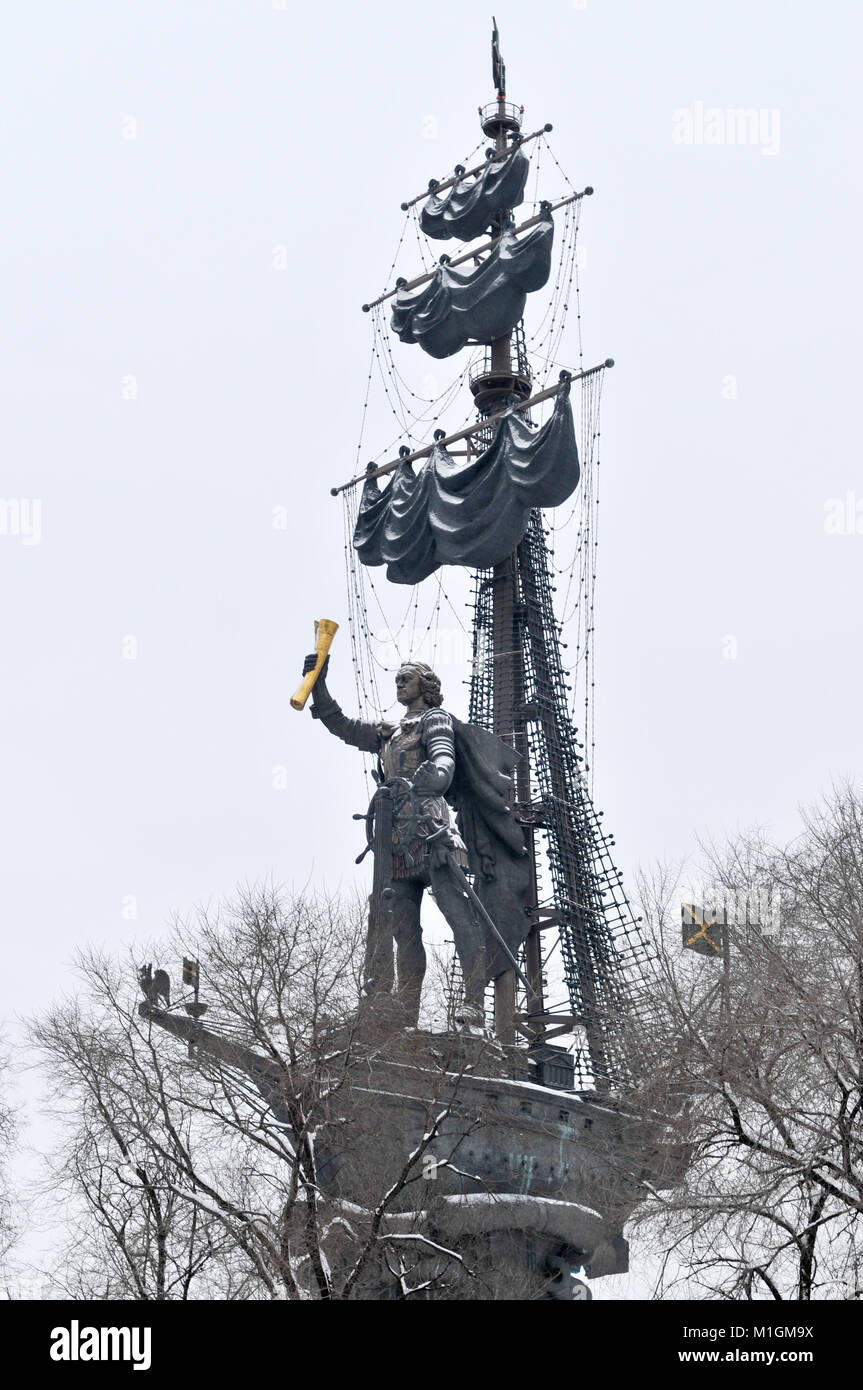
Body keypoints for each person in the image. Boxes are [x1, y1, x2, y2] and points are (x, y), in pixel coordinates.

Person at [303, 654, 489, 1027]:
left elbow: (444, 761)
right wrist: (318, 683)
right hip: (395, 839)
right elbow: (343, 726)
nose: (399, 683)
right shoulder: (390, 732)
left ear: (426, 685)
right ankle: (402, 1011)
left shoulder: (435, 720)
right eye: (398, 679)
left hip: (433, 833)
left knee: (459, 917)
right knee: (400, 929)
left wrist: (434, 775)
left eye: (407, 678)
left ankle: (474, 1004)